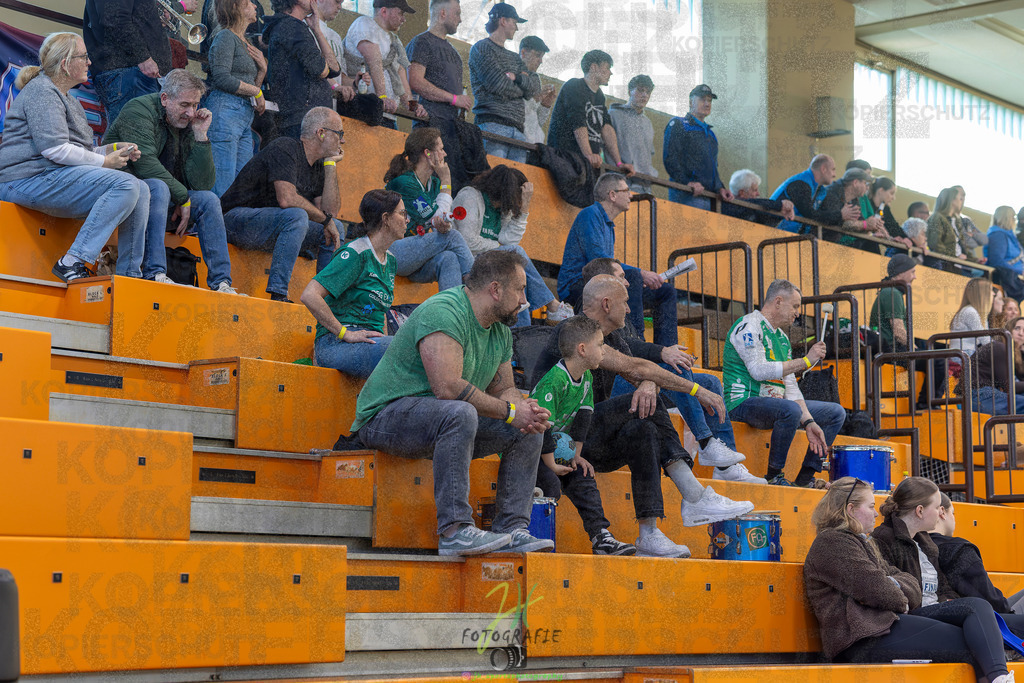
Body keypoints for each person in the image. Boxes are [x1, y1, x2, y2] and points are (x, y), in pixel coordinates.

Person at [530, 275, 754, 558]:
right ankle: (693, 493)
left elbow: (639, 371)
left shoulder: (614, 339)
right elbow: (635, 367)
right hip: (551, 439)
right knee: (642, 406)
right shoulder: (575, 330)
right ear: (606, 304)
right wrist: (697, 390)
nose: (630, 309)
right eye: (625, 302)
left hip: (583, 442)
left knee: (643, 428)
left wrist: (648, 383)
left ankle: (649, 533)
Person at [353, 250, 555, 556]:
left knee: (527, 428)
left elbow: (505, 389)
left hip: (441, 422)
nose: (525, 300)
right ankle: (454, 531)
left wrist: (526, 411)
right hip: (384, 418)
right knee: (461, 412)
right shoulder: (444, 311)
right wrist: (511, 411)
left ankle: (512, 529)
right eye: (520, 289)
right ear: (495, 289)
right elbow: (447, 388)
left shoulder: (500, 329)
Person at [803, 477, 1015, 683]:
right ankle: (1000, 678)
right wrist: (896, 592)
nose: (876, 513)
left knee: (977, 614)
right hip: (862, 640)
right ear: (851, 510)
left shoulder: (861, 542)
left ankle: (1000, 678)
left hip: (883, 627)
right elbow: (879, 590)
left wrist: (894, 587)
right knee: (974, 638)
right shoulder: (832, 543)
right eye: (871, 507)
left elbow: (908, 582)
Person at [579, 260, 761, 484]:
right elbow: (631, 359)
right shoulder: (586, 323)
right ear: (604, 284)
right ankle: (705, 441)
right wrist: (663, 353)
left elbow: (633, 354)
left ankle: (726, 467)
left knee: (711, 383)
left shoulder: (619, 318)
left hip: (632, 381)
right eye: (622, 276)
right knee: (675, 368)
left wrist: (653, 376)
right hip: (607, 398)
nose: (627, 282)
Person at [0, 32, 148, 283]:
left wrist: (112, 150)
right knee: (126, 184)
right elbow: (55, 150)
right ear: (66, 64)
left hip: (52, 176)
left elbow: (79, 152)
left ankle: (129, 276)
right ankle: (72, 261)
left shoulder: (68, 99)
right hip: (23, 181)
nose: (90, 62)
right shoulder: (42, 91)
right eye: (84, 57)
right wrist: (105, 162)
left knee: (142, 189)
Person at [104, 69, 237, 293]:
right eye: (185, 105)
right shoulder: (138, 110)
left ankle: (221, 283)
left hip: (165, 205)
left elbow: (203, 184)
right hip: (125, 202)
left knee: (208, 200)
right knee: (159, 187)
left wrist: (201, 136)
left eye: (195, 105)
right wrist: (183, 197)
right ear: (165, 98)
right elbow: (145, 165)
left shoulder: (189, 122)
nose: (191, 112)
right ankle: (155, 272)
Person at [872, 477, 1024, 667]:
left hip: (940, 612)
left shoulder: (925, 543)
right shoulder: (884, 539)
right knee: (978, 608)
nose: (939, 512)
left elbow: (943, 587)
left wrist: (948, 602)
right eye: (937, 507)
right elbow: (893, 592)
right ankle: (1000, 674)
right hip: (917, 620)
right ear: (920, 511)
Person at [724, 279, 847, 487]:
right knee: (790, 409)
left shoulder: (781, 338)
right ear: (778, 301)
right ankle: (774, 476)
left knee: (836, 413)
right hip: (742, 402)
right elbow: (758, 370)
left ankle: (805, 479)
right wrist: (806, 361)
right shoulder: (748, 326)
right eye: (795, 306)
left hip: (776, 404)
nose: (798, 313)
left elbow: (790, 387)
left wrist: (809, 422)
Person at [530, 315, 635, 555]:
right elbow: (542, 426)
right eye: (600, 344)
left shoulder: (586, 376)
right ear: (582, 349)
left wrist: (576, 456)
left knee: (582, 473)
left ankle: (601, 536)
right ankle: (537, 537)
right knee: (550, 484)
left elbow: (583, 419)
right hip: (534, 449)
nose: (604, 350)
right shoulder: (554, 380)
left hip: (558, 449)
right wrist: (552, 465)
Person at [220, 106, 344, 302]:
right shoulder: (285, 147)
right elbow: (286, 199)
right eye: (339, 133)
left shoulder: (319, 165)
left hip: (271, 228)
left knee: (336, 227)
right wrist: (325, 220)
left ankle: (323, 299)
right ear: (321, 133)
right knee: (297, 215)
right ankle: (278, 293)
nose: (343, 141)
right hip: (233, 221)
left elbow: (330, 214)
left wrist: (331, 165)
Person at [557, 173, 677, 346]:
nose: (631, 195)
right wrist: (641, 274)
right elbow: (599, 261)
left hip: (602, 283)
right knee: (634, 277)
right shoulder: (589, 214)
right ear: (612, 195)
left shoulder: (608, 225)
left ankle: (667, 349)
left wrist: (635, 277)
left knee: (665, 292)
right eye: (626, 190)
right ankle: (636, 340)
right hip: (577, 286)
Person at [451, 164, 573, 325]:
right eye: (518, 197)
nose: (518, 202)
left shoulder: (502, 208)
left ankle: (523, 330)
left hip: (488, 264)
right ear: (508, 193)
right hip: (465, 263)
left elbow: (509, 241)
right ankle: (552, 306)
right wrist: (500, 248)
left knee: (516, 280)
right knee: (514, 255)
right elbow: (467, 240)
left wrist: (525, 209)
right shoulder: (470, 197)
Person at [300, 189, 402, 378]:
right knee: (405, 351)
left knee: (413, 349)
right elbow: (309, 295)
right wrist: (345, 333)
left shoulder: (391, 261)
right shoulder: (356, 253)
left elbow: (380, 312)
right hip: (336, 344)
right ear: (386, 218)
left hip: (371, 343)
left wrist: (385, 339)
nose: (407, 220)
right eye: (402, 213)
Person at [383, 127, 475, 291]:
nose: (445, 154)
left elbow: (440, 221)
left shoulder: (434, 183)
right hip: (393, 252)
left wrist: (443, 225)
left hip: (418, 257)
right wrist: (446, 180)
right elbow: (436, 216)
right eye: (441, 149)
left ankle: (451, 306)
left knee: (449, 258)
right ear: (427, 153)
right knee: (453, 237)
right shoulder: (405, 183)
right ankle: (477, 284)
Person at [83, 0, 197, 126]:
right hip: (129, 74)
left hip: (135, 75)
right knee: (134, 132)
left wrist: (153, 17)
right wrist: (143, 58)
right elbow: (115, 18)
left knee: (143, 132)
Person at [405, 0, 472, 189]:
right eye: (457, 13)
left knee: (450, 184)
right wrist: (453, 99)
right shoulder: (422, 42)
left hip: (451, 129)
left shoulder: (454, 53)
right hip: (428, 125)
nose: (460, 19)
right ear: (443, 13)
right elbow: (415, 81)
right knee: (425, 183)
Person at [205, 0, 266, 197]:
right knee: (223, 181)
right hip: (225, 110)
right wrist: (257, 92)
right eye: (248, 2)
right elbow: (222, 77)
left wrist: (262, 71)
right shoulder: (225, 36)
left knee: (240, 183)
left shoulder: (245, 42)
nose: (255, 6)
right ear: (235, 7)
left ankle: (230, 216)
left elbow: (250, 88)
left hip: (243, 114)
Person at [931, 492, 1024, 615]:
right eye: (953, 513)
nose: (954, 519)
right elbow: (990, 600)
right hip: (988, 619)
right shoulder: (959, 549)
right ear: (942, 512)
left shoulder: (914, 546)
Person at [469, 3, 537, 163]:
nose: (517, 28)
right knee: (494, 175)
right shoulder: (482, 48)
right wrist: (521, 89)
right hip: (492, 125)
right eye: (514, 22)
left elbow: (533, 89)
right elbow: (498, 84)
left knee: (515, 177)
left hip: (518, 130)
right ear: (503, 21)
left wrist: (516, 78)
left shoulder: (515, 58)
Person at [546, 50, 633, 175]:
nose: (610, 73)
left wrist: (619, 163)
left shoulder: (600, 96)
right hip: (565, 159)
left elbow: (606, 127)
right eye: (607, 68)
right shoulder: (574, 86)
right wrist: (588, 154)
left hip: (587, 164)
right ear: (594, 67)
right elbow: (578, 122)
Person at [262, 0, 341, 139]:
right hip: (302, 119)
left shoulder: (295, 27)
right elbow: (321, 70)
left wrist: (316, 30)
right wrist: (325, 68)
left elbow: (334, 69)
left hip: (308, 118)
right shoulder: (292, 27)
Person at [347, 0, 422, 130]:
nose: (403, 19)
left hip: (389, 115)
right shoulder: (364, 24)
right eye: (400, 13)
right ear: (384, 11)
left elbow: (400, 75)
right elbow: (374, 61)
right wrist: (382, 97)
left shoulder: (395, 41)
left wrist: (412, 106)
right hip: (365, 112)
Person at [663, 84, 732, 210]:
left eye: (709, 100)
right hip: (687, 194)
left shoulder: (710, 134)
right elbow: (670, 159)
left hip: (710, 197)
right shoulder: (679, 124)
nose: (707, 104)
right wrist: (686, 183)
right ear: (690, 102)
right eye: (702, 99)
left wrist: (720, 188)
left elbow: (713, 167)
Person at [957, 315, 1024, 416]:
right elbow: (1009, 386)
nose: (1021, 333)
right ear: (1009, 330)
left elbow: (1020, 379)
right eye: (1017, 328)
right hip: (976, 395)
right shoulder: (999, 348)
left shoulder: (1011, 352)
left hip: (986, 394)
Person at [608, 75, 657, 194]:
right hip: (619, 182)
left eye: (648, 92)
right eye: (640, 90)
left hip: (644, 186)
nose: (644, 95)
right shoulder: (614, 115)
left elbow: (647, 157)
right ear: (630, 91)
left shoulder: (648, 123)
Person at [816, 167, 884, 249]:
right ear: (855, 182)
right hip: (820, 242)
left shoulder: (854, 199)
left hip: (834, 242)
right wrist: (866, 224)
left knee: (869, 243)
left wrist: (872, 228)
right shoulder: (832, 192)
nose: (867, 188)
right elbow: (843, 224)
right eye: (865, 183)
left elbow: (859, 221)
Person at [769, 154, 838, 234]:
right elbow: (809, 213)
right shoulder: (800, 183)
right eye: (833, 169)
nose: (834, 175)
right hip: (773, 233)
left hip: (788, 235)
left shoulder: (820, 191)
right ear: (823, 169)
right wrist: (840, 216)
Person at [724, 169, 796, 226]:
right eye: (754, 190)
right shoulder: (730, 207)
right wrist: (781, 205)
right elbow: (757, 203)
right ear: (742, 193)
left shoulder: (752, 210)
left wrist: (784, 209)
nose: (758, 194)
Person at [519, 36, 554, 146]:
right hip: (513, 135)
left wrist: (545, 105)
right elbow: (513, 111)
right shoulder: (512, 74)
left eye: (542, 57)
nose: (541, 61)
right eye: (538, 55)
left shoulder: (535, 78)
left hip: (532, 141)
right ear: (523, 53)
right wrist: (537, 98)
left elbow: (537, 121)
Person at [949, 278, 996, 357]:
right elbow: (985, 339)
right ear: (982, 293)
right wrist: (1000, 348)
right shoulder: (970, 311)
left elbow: (986, 340)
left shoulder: (977, 312)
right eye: (991, 290)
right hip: (963, 354)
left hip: (965, 353)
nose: (993, 293)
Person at [986, 206, 1024, 301]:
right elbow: (996, 261)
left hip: (1014, 280)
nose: (1015, 220)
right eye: (1013, 217)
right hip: (1006, 282)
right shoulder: (998, 235)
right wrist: (1020, 271)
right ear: (1006, 218)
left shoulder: (1010, 236)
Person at [867, 177, 911, 248]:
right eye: (891, 193)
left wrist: (905, 238)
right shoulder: (866, 203)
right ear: (881, 191)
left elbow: (893, 226)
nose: (893, 198)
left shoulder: (885, 209)